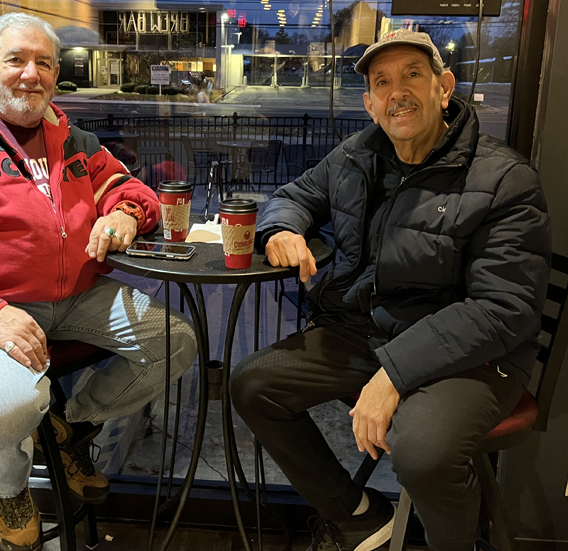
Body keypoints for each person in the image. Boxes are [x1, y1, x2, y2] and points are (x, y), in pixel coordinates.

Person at [0, 13, 196, 551]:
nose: (31, 74)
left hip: (73, 295)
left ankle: (68, 430)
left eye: (43, 63)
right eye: (16, 60)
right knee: (8, 403)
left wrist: (125, 214)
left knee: (176, 343)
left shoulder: (69, 135)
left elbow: (127, 187)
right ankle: (5, 490)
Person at [229, 29, 551, 551]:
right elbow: (295, 195)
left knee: (422, 455)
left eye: (412, 75)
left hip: (471, 356)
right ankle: (359, 517)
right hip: (369, 331)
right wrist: (281, 229)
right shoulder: (358, 155)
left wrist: (394, 374)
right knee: (252, 385)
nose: (397, 92)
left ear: (443, 88)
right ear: (370, 104)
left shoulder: (504, 178)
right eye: (382, 82)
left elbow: (504, 308)